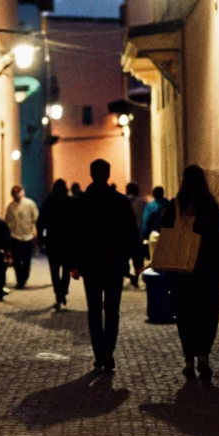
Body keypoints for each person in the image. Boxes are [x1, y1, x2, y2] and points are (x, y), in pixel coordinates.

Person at [159, 165, 219, 382]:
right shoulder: (210, 206)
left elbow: (164, 231)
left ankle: (188, 361)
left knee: (185, 315)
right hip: (207, 271)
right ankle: (203, 356)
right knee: (208, 314)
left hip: (182, 272)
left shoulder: (175, 206)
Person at [70, 159, 143, 371]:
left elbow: (73, 234)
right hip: (114, 264)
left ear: (91, 174)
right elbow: (132, 233)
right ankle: (108, 351)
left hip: (90, 265)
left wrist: (73, 263)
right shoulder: (120, 201)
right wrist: (137, 261)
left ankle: (99, 353)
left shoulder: (81, 201)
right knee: (112, 310)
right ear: (108, 174)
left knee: (94, 309)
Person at [37, 179, 73, 310]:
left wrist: (40, 239)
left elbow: (41, 222)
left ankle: (58, 293)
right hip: (68, 241)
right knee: (67, 268)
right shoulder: (70, 201)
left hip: (53, 240)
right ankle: (63, 290)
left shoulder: (48, 202)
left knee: (54, 269)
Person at [4, 184, 39, 288]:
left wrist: (34, 233)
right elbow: (7, 220)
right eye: (14, 193)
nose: (16, 195)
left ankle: (24, 277)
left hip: (27, 236)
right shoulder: (10, 207)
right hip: (15, 236)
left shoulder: (30, 204)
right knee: (17, 260)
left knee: (27, 260)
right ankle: (20, 280)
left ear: (22, 192)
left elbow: (35, 217)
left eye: (18, 193)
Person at [124, 182, 146, 289]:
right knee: (137, 258)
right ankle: (136, 278)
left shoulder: (123, 200)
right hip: (138, 233)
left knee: (124, 257)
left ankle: (127, 275)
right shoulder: (142, 202)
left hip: (124, 233)